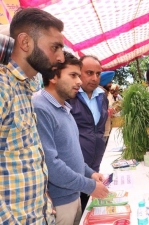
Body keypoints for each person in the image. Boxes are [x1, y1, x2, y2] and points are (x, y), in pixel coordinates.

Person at [0, 8, 65, 224]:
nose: (61, 57)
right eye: (55, 47)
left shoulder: (30, 85)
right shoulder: (3, 86)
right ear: (25, 42)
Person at [33, 51, 109, 225]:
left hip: (73, 194)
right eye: (73, 75)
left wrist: (90, 174)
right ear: (53, 76)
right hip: (59, 202)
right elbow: (51, 164)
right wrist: (89, 186)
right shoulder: (40, 107)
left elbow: (72, 155)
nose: (79, 81)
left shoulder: (63, 107)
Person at [68, 55, 109, 212]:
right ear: (78, 73)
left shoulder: (102, 96)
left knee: (94, 208)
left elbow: (98, 129)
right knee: (78, 208)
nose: (94, 78)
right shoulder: (69, 96)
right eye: (89, 73)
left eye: (98, 74)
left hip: (96, 164)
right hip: (75, 166)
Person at [99, 71, 116, 143]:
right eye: (109, 82)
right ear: (104, 82)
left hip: (105, 129)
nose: (111, 84)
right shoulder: (100, 93)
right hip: (102, 131)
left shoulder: (105, 93)